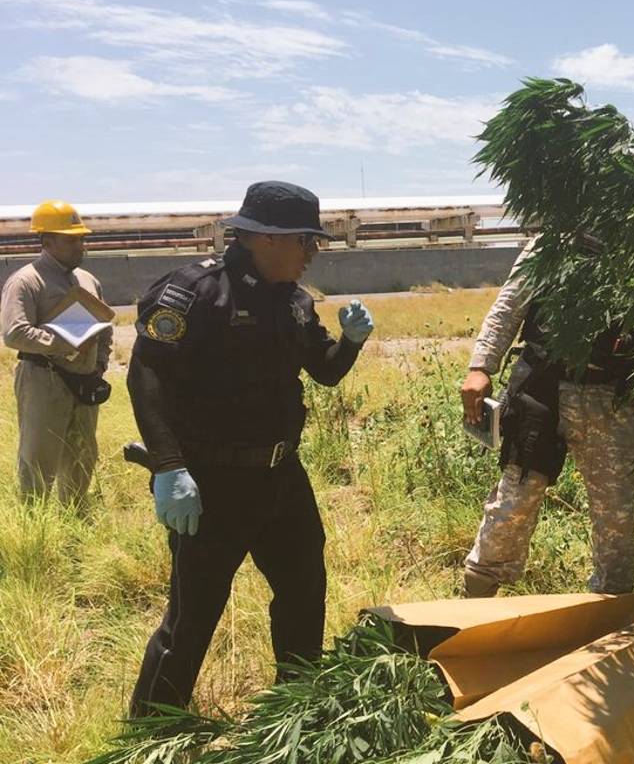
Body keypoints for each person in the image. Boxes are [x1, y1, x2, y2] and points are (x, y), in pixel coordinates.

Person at [127, 181, 375, 716]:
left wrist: (350, 342)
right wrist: (169, 467)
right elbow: (146, 377)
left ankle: (296, 707)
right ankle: (150, 729)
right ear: (265, 239)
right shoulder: (194, 292)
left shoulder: (293, 302)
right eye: (306, 242)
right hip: (211, 484)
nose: (313, 254)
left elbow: (325, 372)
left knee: (304, 591)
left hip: (282, 478)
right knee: (194, 613)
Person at [459, 239, 634, 598]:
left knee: (618, 515)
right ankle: (475, 599)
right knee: (514, 501)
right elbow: (509, 305)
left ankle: (613, 610)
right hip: (544, 386)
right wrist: (481, 366)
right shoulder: (553, 241)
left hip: (612, 397)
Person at [0, 200, 112, 505]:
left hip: (85, 378)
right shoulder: (26, 281)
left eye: (81, 239)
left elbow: (104, 329)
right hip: (42, 381)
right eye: (70, 240)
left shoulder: (88, 281)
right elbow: (14, 333)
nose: (80, 246)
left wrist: (99, 364)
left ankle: (74, 526)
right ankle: (35, 531)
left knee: (82, 459)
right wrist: (68, 341)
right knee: (39, 461)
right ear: (46, 242)